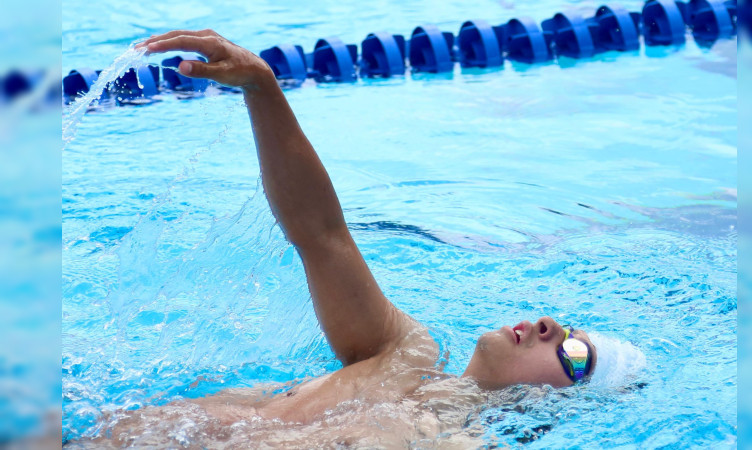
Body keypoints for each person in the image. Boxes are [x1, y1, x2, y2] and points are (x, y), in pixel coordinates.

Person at [93, 29, 597, 447]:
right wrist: (262, 87)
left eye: (575, 356)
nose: (550, 325)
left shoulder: (445, 442)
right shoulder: (404, 350)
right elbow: (322, 235)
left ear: (555, 402)